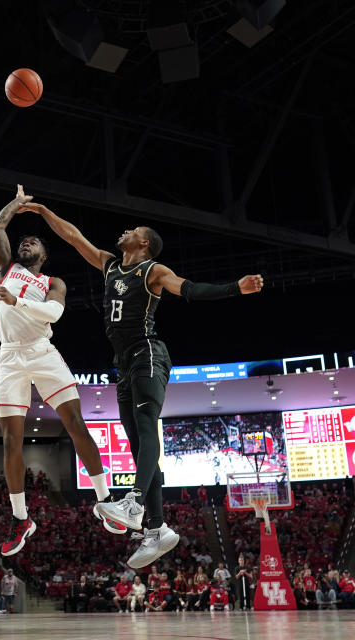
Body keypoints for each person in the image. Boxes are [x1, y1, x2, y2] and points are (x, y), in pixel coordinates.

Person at [25, 200, 262, 567]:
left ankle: (134, 501)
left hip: (148, 353)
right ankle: (157, 528)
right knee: (137, 445)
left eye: (133, 231)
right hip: (123, 364)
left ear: (145, 243)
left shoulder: (153, 270)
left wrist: (235, 288)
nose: (125, 231)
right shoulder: (110, 265)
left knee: (148, 426)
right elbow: (72, 236)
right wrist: (43, 212)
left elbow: (190, 290)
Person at [0, 186, 121, 556]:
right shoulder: (5, 268)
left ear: (44, 255)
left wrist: (15, 300)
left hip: (43, 351)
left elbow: (55, 315)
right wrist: (18, 204)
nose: (26, 243)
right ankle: (20, 518)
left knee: (75, 424)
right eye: (23, 241)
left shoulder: (51, 282)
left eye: (33, 242)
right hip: (9, 356)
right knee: (11, 441)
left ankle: (106, 500)